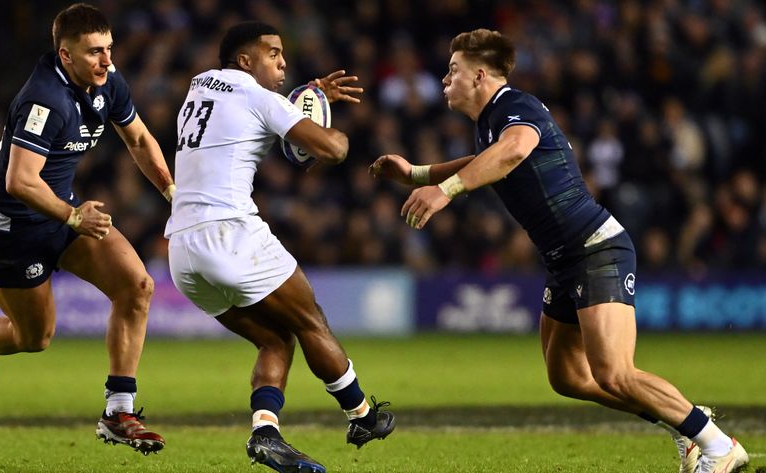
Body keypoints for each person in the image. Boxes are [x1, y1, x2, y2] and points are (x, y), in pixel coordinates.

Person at [370, 29, 748, 473]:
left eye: (453, 71)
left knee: (614, 373)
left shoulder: (515, 106)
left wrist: (445, 192)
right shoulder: (491, 121)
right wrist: (417, 174)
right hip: (564, 260)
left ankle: (719, 446)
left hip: (594, 247)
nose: (444, 80)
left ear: (479, 75)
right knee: (567, 376)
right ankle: (685, 422)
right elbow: (486, 158)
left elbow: (514, 151)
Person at [166, 21, 395, 473]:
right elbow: (330, 150)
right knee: (311, 320)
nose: (283, 62)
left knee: (276, 337)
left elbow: (246, 126)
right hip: (230, 234)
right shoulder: (257, 97)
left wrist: (307, 94)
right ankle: (362, 417)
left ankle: (265, 434)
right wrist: (331, 127)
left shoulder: (197, 89)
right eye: (273, 53)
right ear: (246, 60)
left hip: (182, 250)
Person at [0, 3, 172, 455]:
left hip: (63, 214)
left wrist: (172, 194)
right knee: (36, 338)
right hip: (14, 230)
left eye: (108, 49)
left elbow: (140, 139)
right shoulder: (43, 99)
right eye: (94, 52)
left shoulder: (108, 82)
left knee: (137, 286)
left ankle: (118, 412)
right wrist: (72, 217)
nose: (107, 60)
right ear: (66, 56)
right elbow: (19, 180)